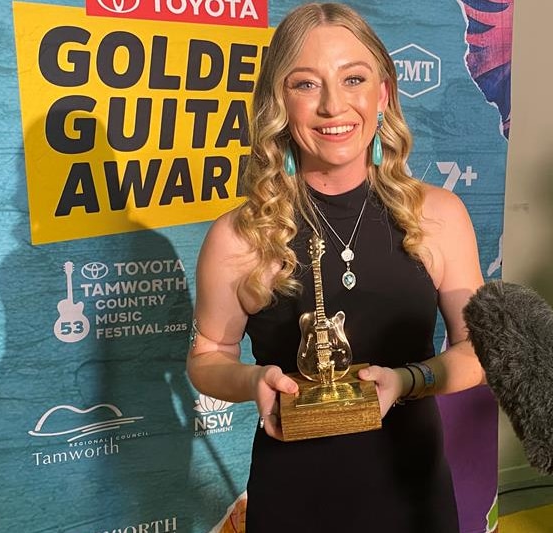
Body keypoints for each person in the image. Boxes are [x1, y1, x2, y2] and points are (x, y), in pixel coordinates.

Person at [187, 3, 486, 532]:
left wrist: (406, 380)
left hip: (413, 494)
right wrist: (255, 380)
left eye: (354, 78)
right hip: (294, 498)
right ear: (279, 101)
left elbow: (476, 350)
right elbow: (207, 357)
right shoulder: (238, 235)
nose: (333, 105)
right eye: (305, 84)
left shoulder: (438, 216)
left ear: (383, 94)